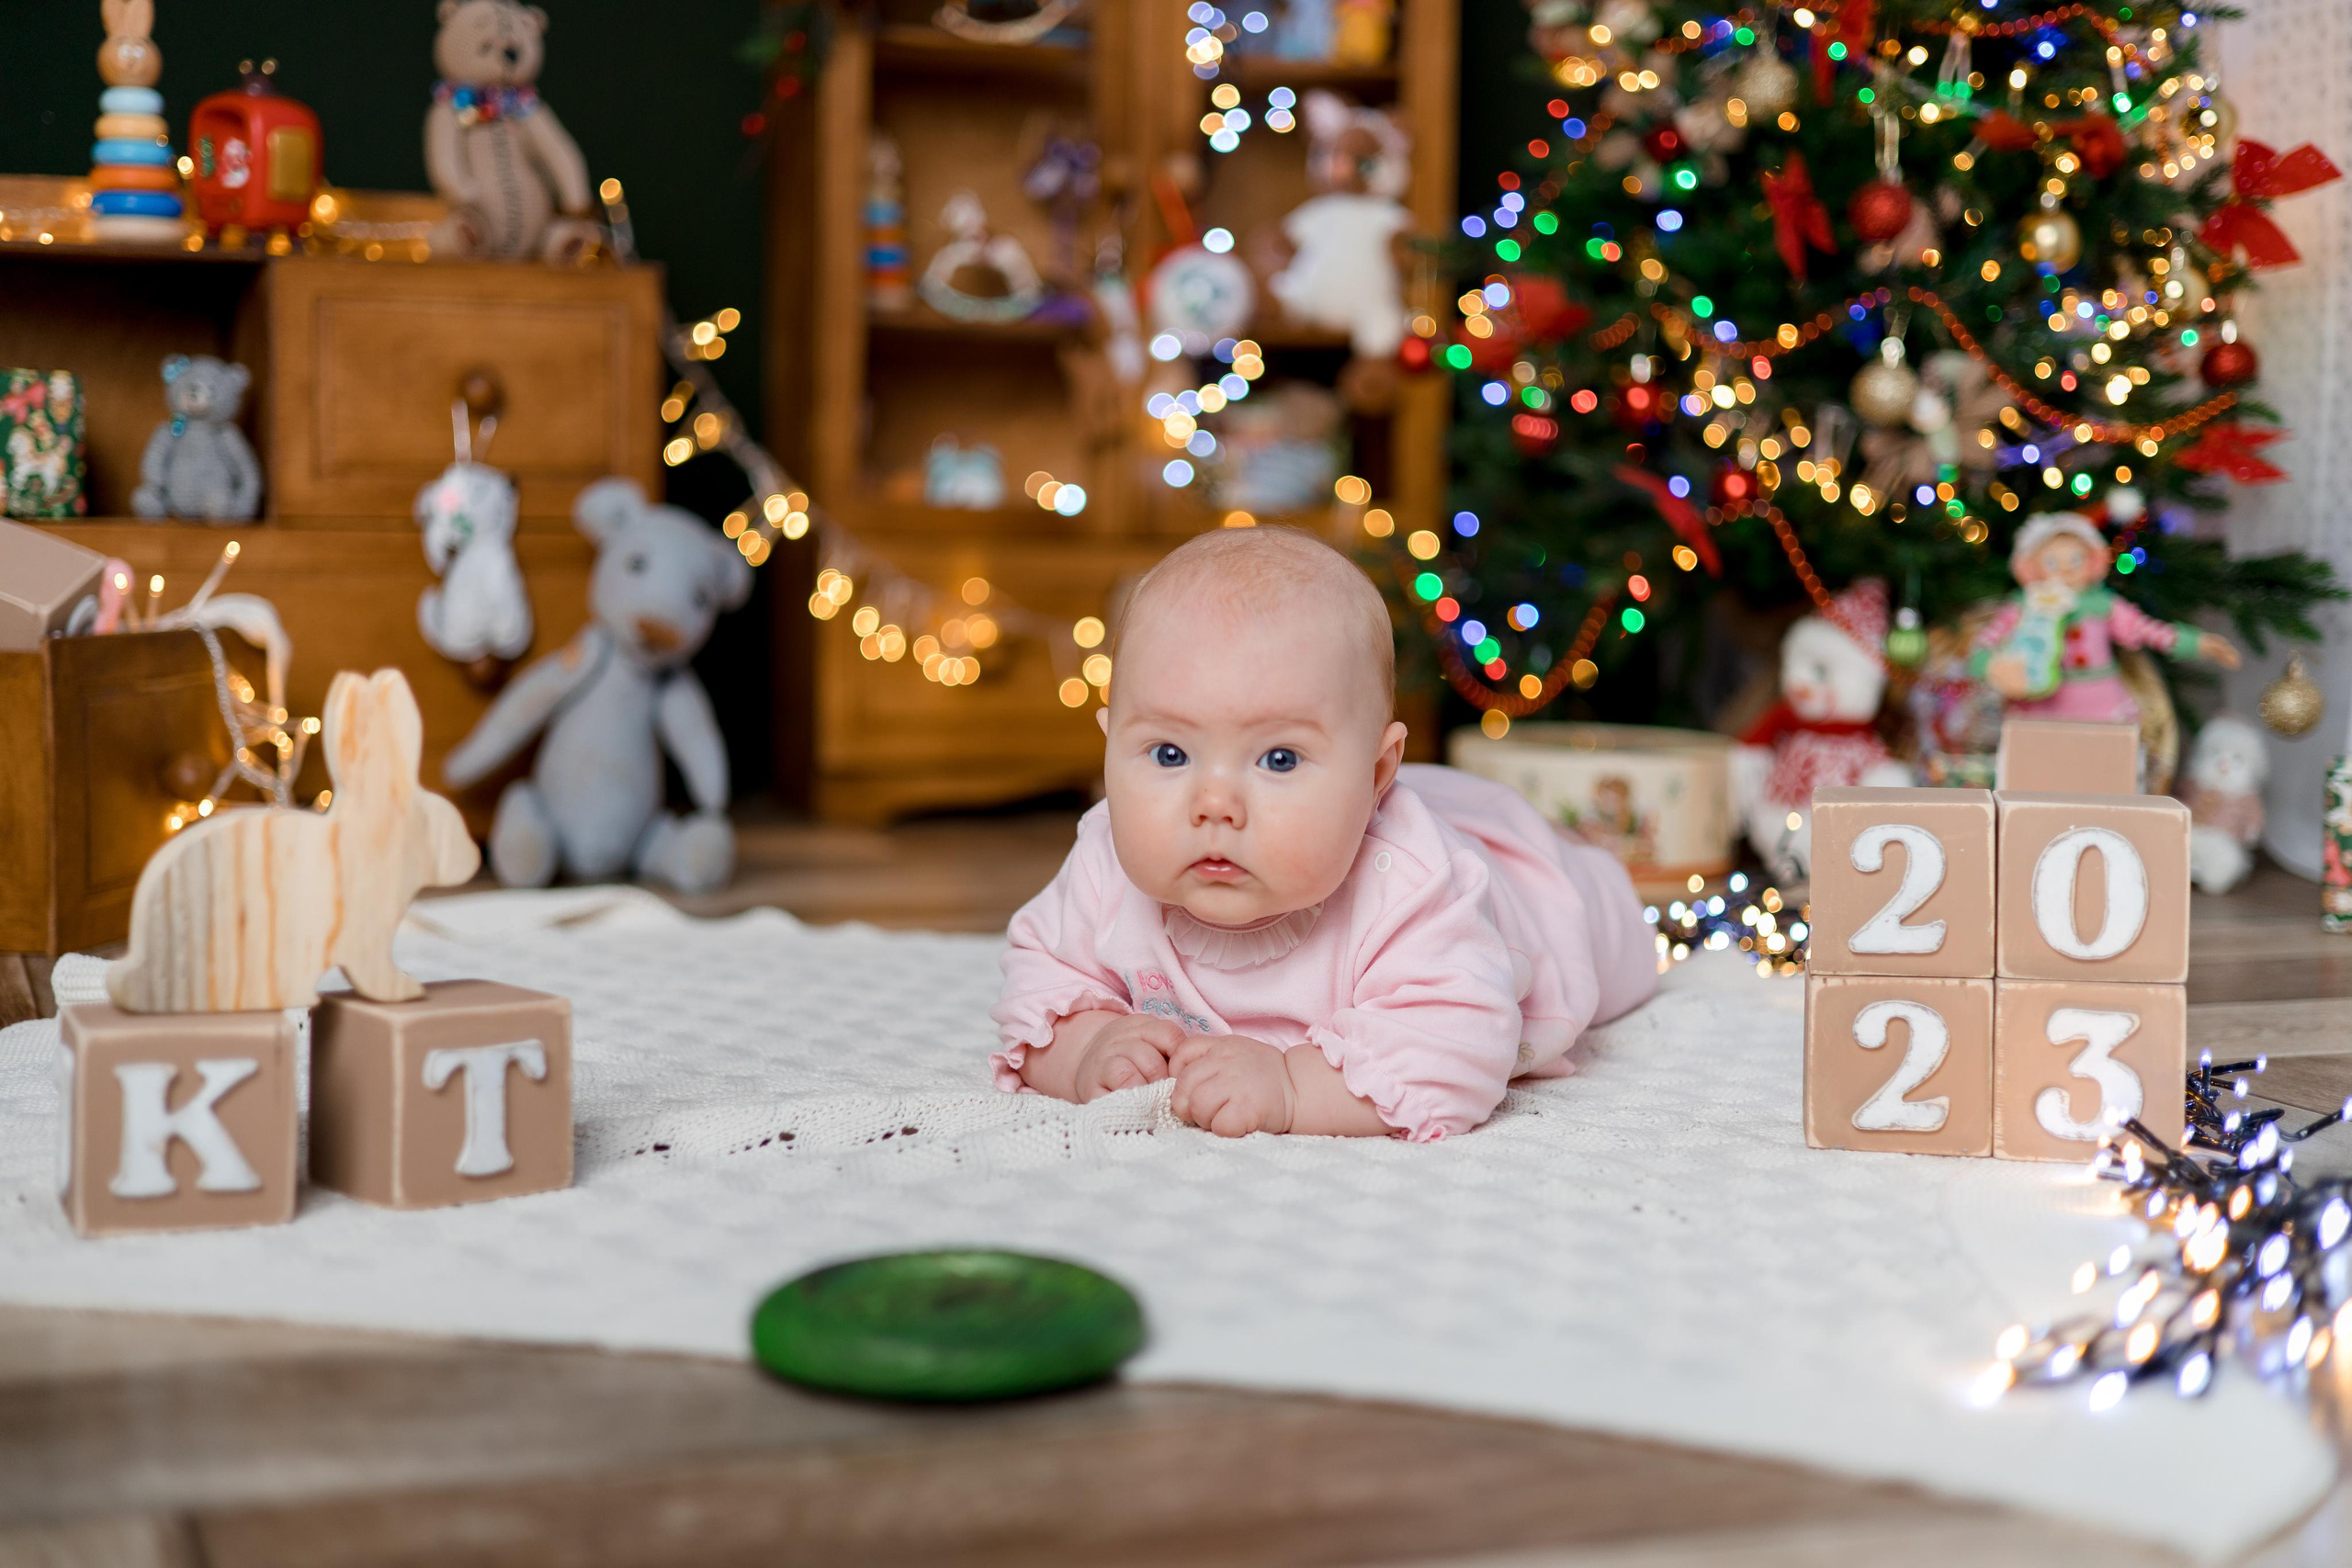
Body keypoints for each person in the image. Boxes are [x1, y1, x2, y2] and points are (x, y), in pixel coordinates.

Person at [991, 526, 1656, 1141]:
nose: (1214, 804)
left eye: (1278, 759)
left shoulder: (1414, 889)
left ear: (1375, 776)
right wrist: (1086, 1049)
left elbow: (1456, 1050)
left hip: (1535, 892)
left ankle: (1595, 878)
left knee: (1618, 943)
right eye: (1169, 754)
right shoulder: (1106, 857)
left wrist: (1292, 1086)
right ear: (1110, 747)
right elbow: (1039, 988)